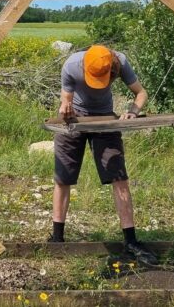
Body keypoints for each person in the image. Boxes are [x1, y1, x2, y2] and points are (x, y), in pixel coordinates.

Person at [50, 44, 158, 266]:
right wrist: (65, 108)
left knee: (119, 178)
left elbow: (141, 93)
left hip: (106, 118)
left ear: (111, 68)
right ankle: (57, 238)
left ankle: (130, 241)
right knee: (63, 178)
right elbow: (66, 99)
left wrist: (132, 111)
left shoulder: (121, 61)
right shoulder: (71, 65)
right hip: (75, 119)